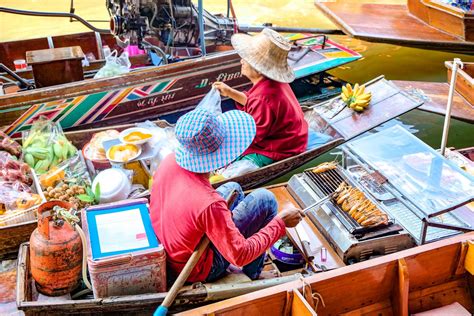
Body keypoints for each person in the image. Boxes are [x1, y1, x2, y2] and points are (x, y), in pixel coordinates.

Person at [150, 107, 304, 282]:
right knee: (266, 200)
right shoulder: (209, 204)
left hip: (176, 246)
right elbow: (240, 255)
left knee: (233, 187)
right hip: (196, 267)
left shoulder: (169, 161)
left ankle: (234, 246)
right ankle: (253, 273)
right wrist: (280, 223)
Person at [213, 28, 308, 168]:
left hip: (282, 146)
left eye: (245, 59)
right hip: (295, 135)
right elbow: (253, 100)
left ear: (258, 68)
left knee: (231, 160)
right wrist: (230, 92)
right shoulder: (270, 84)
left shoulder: (264, 97)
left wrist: (222, 140)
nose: (241, 62)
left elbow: (253, 136)